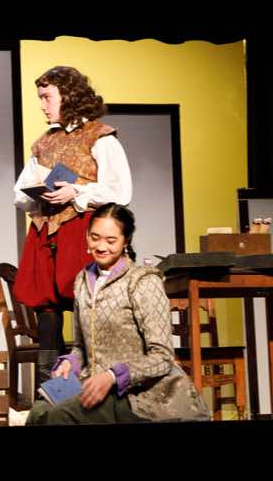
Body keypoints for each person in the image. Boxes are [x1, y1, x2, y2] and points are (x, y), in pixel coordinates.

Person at [26, 203, 209, 424]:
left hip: (138, 393)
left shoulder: (142, 281)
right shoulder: (82, 280)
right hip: (92, 383)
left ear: (126, 241)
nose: (101, 246)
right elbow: (81, 346)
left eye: (111, 240)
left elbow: (162, 356)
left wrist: (112, 376)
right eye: (95, 238)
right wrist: (70, 363)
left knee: (60, 416)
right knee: (38, 412)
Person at [13, 66, 132, 384]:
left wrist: (76, 192)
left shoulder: (100, 136)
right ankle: (48, 391)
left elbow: (120, 192)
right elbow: (19, 193)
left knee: (86, 307)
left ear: (68, 95)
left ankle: (91, 386)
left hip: (81, 230)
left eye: (47, 97)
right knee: (47, 312)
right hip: (45, 232)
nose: (42, 105)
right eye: (40, 98)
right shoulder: (43, 143)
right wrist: (37, 195)